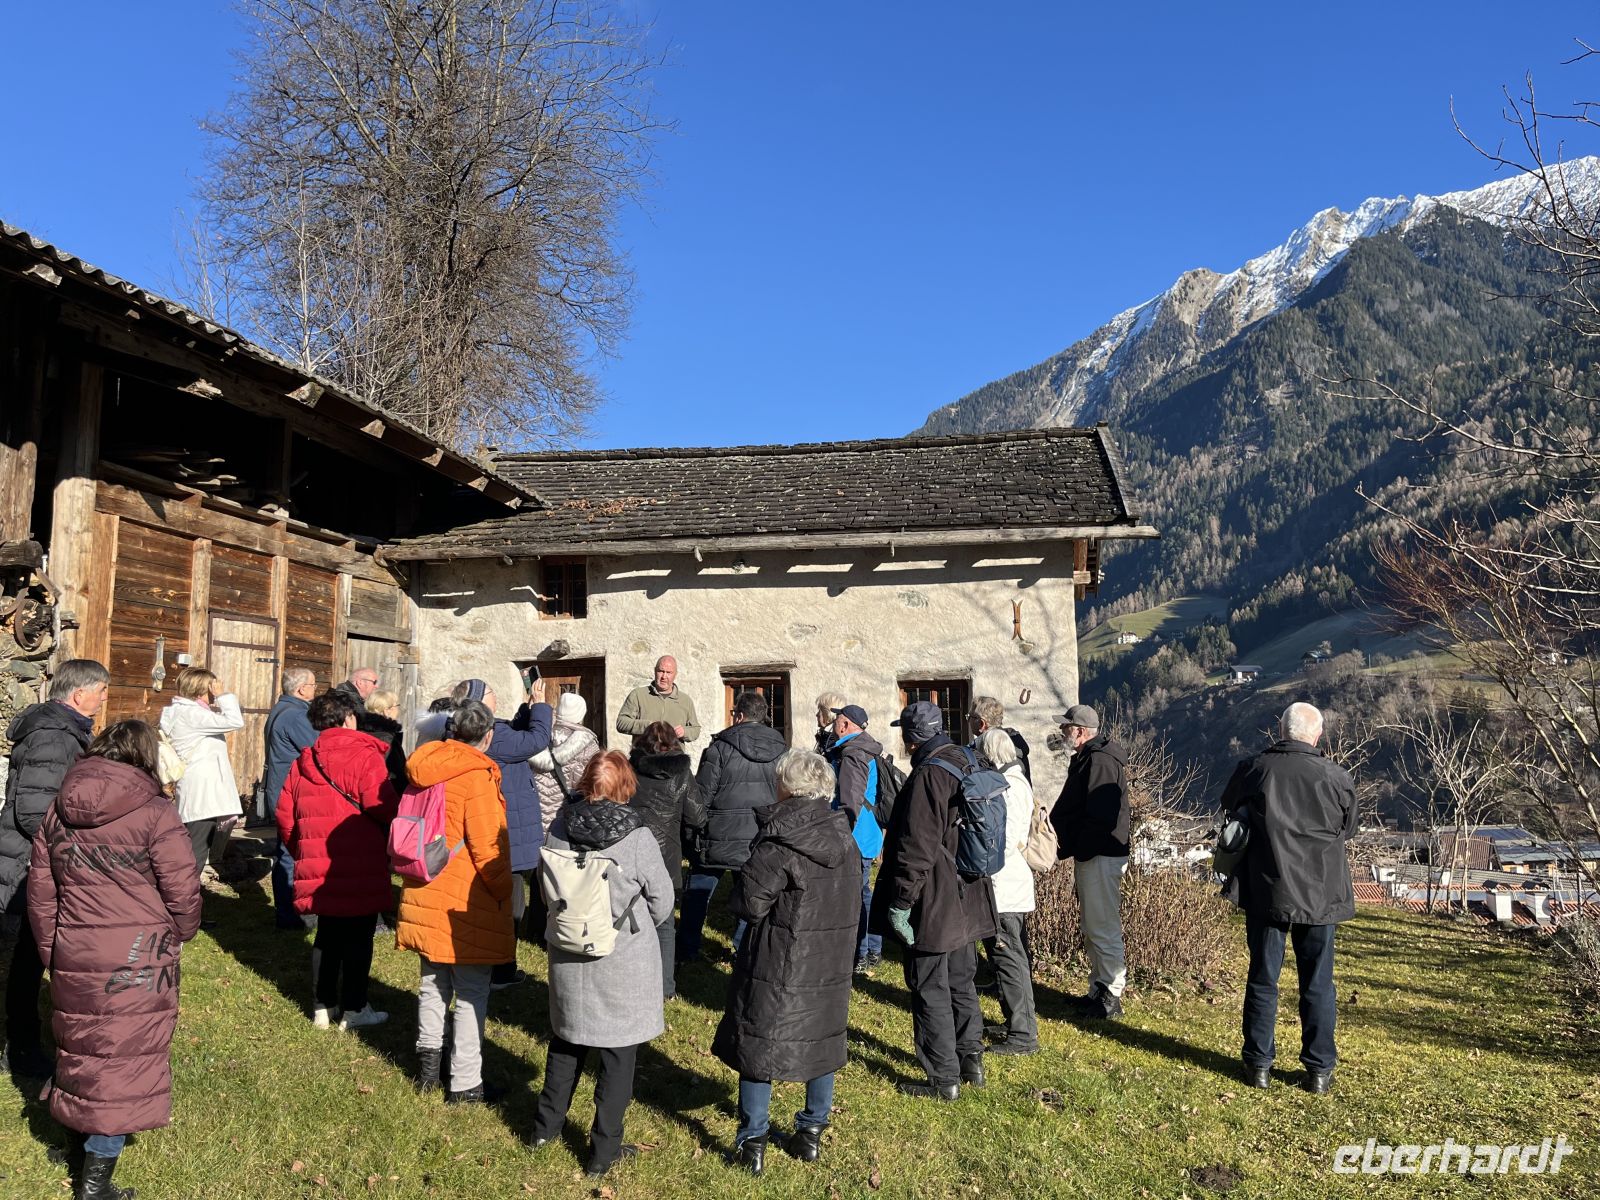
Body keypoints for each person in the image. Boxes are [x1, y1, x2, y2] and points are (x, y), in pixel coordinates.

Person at [28, 719, 201, 1200]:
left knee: (81, 1049)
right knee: (123, 1061)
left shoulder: (56, 810)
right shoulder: (155, 811)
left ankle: (76, 1142)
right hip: (137, 956)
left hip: (76, 948)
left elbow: (42, 895)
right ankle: (95, 1182)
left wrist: (54, 952)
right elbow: (183, 890)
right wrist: (181, 933)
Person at [714, 748, 860, 1176]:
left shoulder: (781, 842)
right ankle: (811, 1130)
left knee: (758, 1041)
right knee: (822, 1038)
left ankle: (752, 1139)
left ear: (788, 787)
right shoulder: (845, 840)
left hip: (779, 959)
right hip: (830, 959)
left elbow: (750, 903)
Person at [529, 752, 673, 1177]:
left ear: (585, 782)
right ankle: (603, 1152)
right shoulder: (637, 837)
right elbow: (662, 901)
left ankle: (544, 1129)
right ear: (625, 785)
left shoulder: (558, 828)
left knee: (566, 1041)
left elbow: (545, 892)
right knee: (617, 1055)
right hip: (622, 959)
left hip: (570, 953)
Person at [1222, 702, 1357, 1094]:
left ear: (1280, 730)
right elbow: (1349, 828)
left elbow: (1229, 808)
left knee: (1263, 979)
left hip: (1268, 890)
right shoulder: (1335, 776)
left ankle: (1258, 1064)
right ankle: (1318, 1070)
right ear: (1317, 736)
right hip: (1320, 895)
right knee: (1318, 983)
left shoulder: (1255, 769)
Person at [870, 701, 998, 1100]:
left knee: (929, 983)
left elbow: (915, 847)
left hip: (937, 896)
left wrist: (901, 902)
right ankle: (970, 1058)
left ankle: (943, 1079)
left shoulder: (928, 775)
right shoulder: (966, 759)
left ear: (911, 739)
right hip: (971, 890)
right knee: (961, 977)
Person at [396, 700, 513, 1103]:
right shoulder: (477, 776)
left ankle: (428, 1072)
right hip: (466, 895)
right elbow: (489, 848)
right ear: (488, 735)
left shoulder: (422, 765)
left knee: (432, 984)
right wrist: (504, 893)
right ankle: (464, 1083)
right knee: (470, 992)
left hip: (424, 883)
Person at [1, 658, 108, 1079]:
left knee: (33, 954)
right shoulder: (54, 734)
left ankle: (27, 1039)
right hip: (30, 861)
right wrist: (78, 840)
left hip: (36, 859)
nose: (103, 699)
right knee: (31, 955)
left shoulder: (65, 731)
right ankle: (22, 1047)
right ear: (79, 694)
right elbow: (34, 811)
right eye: (100, 691)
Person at [277, 691, 401, 1030]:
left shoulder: (304, 760)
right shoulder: (366, 756)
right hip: (361, 858)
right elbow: (384, 807)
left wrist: (302, 851)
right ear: (349, 718)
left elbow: (285, 815)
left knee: (327, 934)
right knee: (358, 937)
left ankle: (322, 1006)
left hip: (320, 861)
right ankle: (355, 1008)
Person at [450, 677, 553, 988]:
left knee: (504, 898)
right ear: (480, 702)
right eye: (492, 692)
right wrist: (543, 706)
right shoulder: (492, 737)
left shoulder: (475, 729)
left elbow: (513, 728)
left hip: (503, 822)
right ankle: (501, 968)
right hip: (505, 827)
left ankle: (496, 963)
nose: (496, 695)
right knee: (509, 903)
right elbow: (536, 740)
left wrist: (527, 706)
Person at [676, 691, 787, 963]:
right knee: (752, 895)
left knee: (698, 894)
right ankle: (742, 948)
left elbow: (701, 796)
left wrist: (693, 833)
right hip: (758, 837)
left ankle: (687, 948)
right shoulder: (783, 750)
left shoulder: (719, 748)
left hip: (717, 835)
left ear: (738, 716)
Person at [1049, 704, 1130, 1020]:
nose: (1062, 733)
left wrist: (1079, 847)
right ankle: (1099, 989)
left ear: (1080, 731)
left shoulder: (1099, 761)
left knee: (1103, 924)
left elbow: (1101, 816)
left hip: (1100, 854)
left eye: (1066, 728)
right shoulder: (1092, 758)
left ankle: (1111, 995)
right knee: (1093, 924)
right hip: (1095, 852)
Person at [626, 721, 705, 999]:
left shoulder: (630, 769)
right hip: (667, 856)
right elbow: (697, 816)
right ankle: (665, 988)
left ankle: (631, 979)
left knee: (628, 918)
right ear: (674, 744)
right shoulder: (682, 774)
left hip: (632, 850)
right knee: (665, 923)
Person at [159, 667, 245, 920]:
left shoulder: (186, 713)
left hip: (202, 795)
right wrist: (224, 695)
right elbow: (235, 721)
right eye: (211, 687)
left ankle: (185, 909)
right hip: (203, 797)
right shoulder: (191, 714)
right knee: (194, 856)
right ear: (203, 688)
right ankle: (181, 913)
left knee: (195, 853)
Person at [976, 729, 1040, 1056]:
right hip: (1005, 883)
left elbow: (1006, 836)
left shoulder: (1011, 787)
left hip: (1005, 885)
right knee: (1006, 958)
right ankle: (1015, 1021)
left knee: (1009, 957)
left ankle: (1023, 1034)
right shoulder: (1014, 781)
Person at [823, 704, 886, 975]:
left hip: (855, 837)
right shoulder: (866, 749)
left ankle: (858, 956)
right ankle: (872, 948)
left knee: (853, 897)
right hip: (868, 834)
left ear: (845, 725)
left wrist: (840, 838)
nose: (834, 725)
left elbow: (850, 801)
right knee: (863, 893)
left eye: (837, 721)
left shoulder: (852, 754)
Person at [263, 667, 317, 930]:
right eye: (313, 686)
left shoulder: (280, 709)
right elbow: (317, 749)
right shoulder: (296, 715)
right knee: (290, 854)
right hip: (291, 793)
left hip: (280, 788)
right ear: (301, 689)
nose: (315, 691)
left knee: (287, 851)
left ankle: (290, 912)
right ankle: (291, 914)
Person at [531, 692, 602, 840]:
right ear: (580, 713)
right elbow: (594, 781)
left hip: (539, 810)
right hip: (572, 812)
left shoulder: (538, 737)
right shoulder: (588, 744)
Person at [615, 655, 701, 744]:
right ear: (655, 671)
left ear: (675, 674)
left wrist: (684, 732)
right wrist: (647, 727)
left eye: (669, 672)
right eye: (661, 671)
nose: (664, 676)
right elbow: (621, 723)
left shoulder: (685, 700)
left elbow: (696, 729)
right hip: (644, 756)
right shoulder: (638, 695)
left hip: (673, 756)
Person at [968, 695, 1031, 784]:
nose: (968, 720)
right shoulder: (1013, 743)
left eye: (970, 716)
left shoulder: (989, 749)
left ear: (982, 723)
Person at [360, 688, 410, 791]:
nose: (398, 710)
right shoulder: (386, 738)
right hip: (384, 793)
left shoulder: (360, 730)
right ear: (387, 711)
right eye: (397, 706)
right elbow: (396, 773)